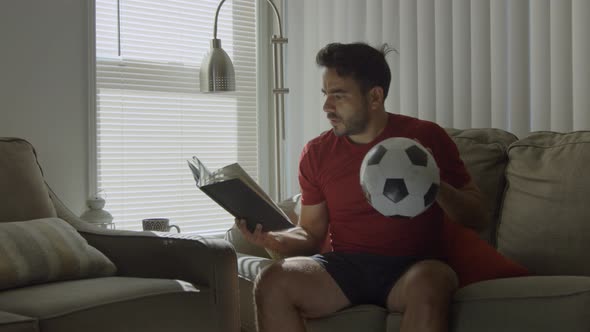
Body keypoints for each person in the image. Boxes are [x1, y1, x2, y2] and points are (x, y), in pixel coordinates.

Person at [236, 42, 489, 332]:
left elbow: (478, 217)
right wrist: (273, 239)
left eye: (339, 96)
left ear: (375, 97)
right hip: (346, 267)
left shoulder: (425, 137)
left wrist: (435, 183)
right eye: (326, 95)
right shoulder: (317, 152)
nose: (327, 107)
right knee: (272, 281)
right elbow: (310, 232)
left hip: (415, 267)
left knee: (431, 283)